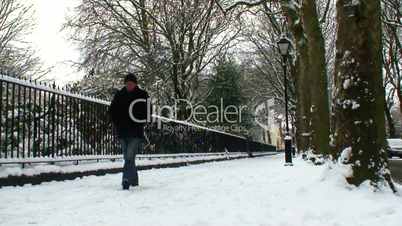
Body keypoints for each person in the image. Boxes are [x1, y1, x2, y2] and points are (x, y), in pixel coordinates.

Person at [109, 73, 151, 190]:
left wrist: (140, 122)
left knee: (129, 156)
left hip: (135, 132)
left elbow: (148, 112)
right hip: (122, 132)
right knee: (128, 158)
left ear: (135, 84)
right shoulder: (119, 95)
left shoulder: (143, 95)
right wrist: (116, 122)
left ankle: (125, 180)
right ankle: (134, 181)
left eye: (131, 83)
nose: (129, 85)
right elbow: (112, 111)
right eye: (127, 83)